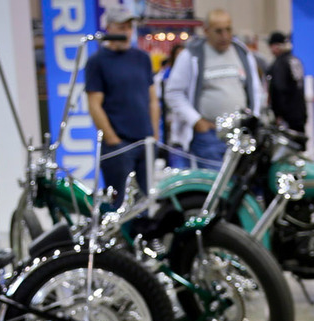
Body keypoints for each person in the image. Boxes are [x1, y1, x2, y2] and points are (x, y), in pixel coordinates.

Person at [164, 9, 266, 170]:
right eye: (218, 31)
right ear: (206, 31)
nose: (225, 36)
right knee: (215, 186)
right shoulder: (191, 55)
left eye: (228, 29)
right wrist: (196, 121)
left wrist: (254, 118)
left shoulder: (242, 53)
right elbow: (173, 92)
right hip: (209, 136)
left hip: (240, 133)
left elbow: (256, 90)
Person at [87, 4, 158, 199]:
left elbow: (152, 98)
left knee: (145, 201)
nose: (126, 32)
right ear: (109, 27)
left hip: (145, 141)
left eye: (129, 27)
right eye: (121, 27)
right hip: (119, 145)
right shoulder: (98, 61)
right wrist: (113, 139)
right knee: (120, 203)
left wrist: (154, 135)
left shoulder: (142, 58)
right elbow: (94, 104)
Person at [266, 31, 306, 134]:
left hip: (287, 117)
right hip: (300, 113)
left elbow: (280, 89)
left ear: (276, 46)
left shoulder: (280, 64)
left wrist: (278, 114)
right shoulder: (295, 60)